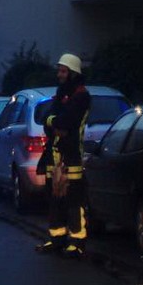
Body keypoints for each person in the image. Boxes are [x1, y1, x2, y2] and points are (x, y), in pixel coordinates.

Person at [35, 53, 91, 259]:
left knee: (74, 200)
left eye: (63, 71)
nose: (59, 74)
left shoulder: (82, 96)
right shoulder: (61, 94)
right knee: (55, 199)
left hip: (72, 156)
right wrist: (54, 122)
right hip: (55, 155)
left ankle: (77, 241)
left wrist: (56, 121)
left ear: (73, 73)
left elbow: (67, 122)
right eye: (59, 70)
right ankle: (57, 238)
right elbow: (47, 120)